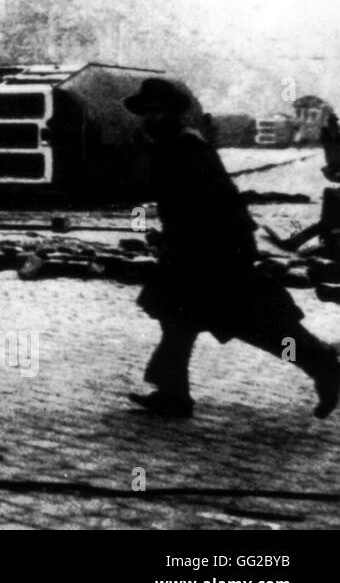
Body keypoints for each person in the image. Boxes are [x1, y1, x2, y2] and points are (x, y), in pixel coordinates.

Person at [123, 77, 340, 419]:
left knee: (260, 325)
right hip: (194, 250)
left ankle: (324, 365)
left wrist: (187, 242)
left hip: (217, 253)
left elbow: (210, 205)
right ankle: (172, 394)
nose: (150, 118)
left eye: (158, 111)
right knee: (176, 319)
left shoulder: (187, 148)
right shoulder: (172, 147)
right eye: (147, 112)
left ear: (174, 115)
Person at [321, 112, 340, 181]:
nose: (334, 122)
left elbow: (323, 142)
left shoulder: (325, 130)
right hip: (333, 156)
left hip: (331, 157)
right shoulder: (326, 130)